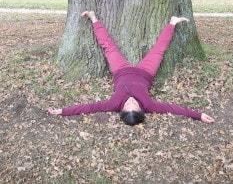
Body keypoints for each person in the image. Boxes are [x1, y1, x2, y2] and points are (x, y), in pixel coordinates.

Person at [48, 11, 215, 126]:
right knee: (159, 49)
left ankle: (93, 18)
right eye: (135, 104)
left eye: (128, 105)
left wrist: (61, 111)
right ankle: (172, 22)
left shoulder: (113, 104)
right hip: (146, 72)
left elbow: (88, 108)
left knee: (109, 47)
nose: (131, 100)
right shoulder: (149, 105)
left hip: (120, 70)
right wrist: (198, 115)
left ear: (121, 109)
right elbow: (173, 109)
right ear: (142, 109)